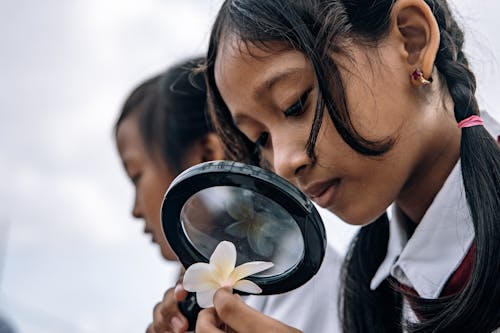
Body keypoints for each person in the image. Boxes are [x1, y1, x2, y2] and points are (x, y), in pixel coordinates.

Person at [192, 0, 500, 332]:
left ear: (412, 41)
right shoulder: (375, 292)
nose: (282, 163)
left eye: (295, 104)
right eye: (261, 139)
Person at [115, 57, 344, 333]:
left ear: (207, 156)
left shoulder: (308, 287)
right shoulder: (191, 293)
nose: (134, 210)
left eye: (136, 175)